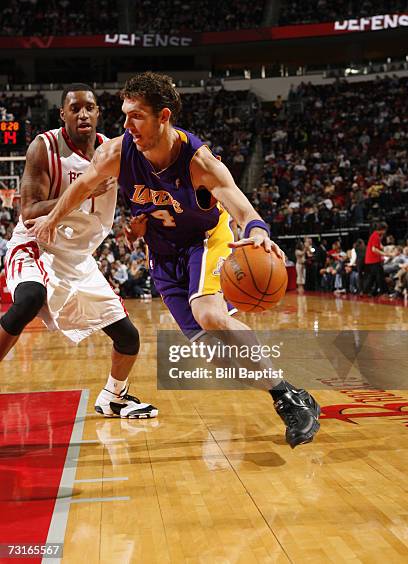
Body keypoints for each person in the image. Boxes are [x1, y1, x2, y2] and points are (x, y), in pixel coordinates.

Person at [27, 72, 320, 449]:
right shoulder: (116, 152)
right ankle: (293, 392)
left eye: (137, 116)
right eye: (124, 114)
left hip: (206, 241)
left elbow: (241, 206)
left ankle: (286, 400)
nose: (126, 124)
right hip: (163, 256)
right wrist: (51, 220)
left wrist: (259, 232)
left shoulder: (198, 160)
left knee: (210, 315)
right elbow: (81, 187)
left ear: (163, 116)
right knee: (219, 359)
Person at [0, 83, 157, 420]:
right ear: (63, 114)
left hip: (78, 259)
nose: (83, 113)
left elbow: (137, 193)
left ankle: (114, 397)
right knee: (28, 299)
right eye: (75, 108)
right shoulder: (44, 147)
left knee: (128, 338)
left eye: (90, 107)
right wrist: (83, 190)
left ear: (99, 112)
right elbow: (29, 212)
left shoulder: (112, 150)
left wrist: (135, 224)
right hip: (36, 245)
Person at [364, 221, 389, 296]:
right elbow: (374, 249)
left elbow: (379, 246)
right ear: (383, 229)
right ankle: (383, 292)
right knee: (380, 276)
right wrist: (385, 254)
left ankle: (367, 291)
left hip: (370, 259)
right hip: (374, 259)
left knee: (372, 277)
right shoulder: (376, 236)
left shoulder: (374, 235)